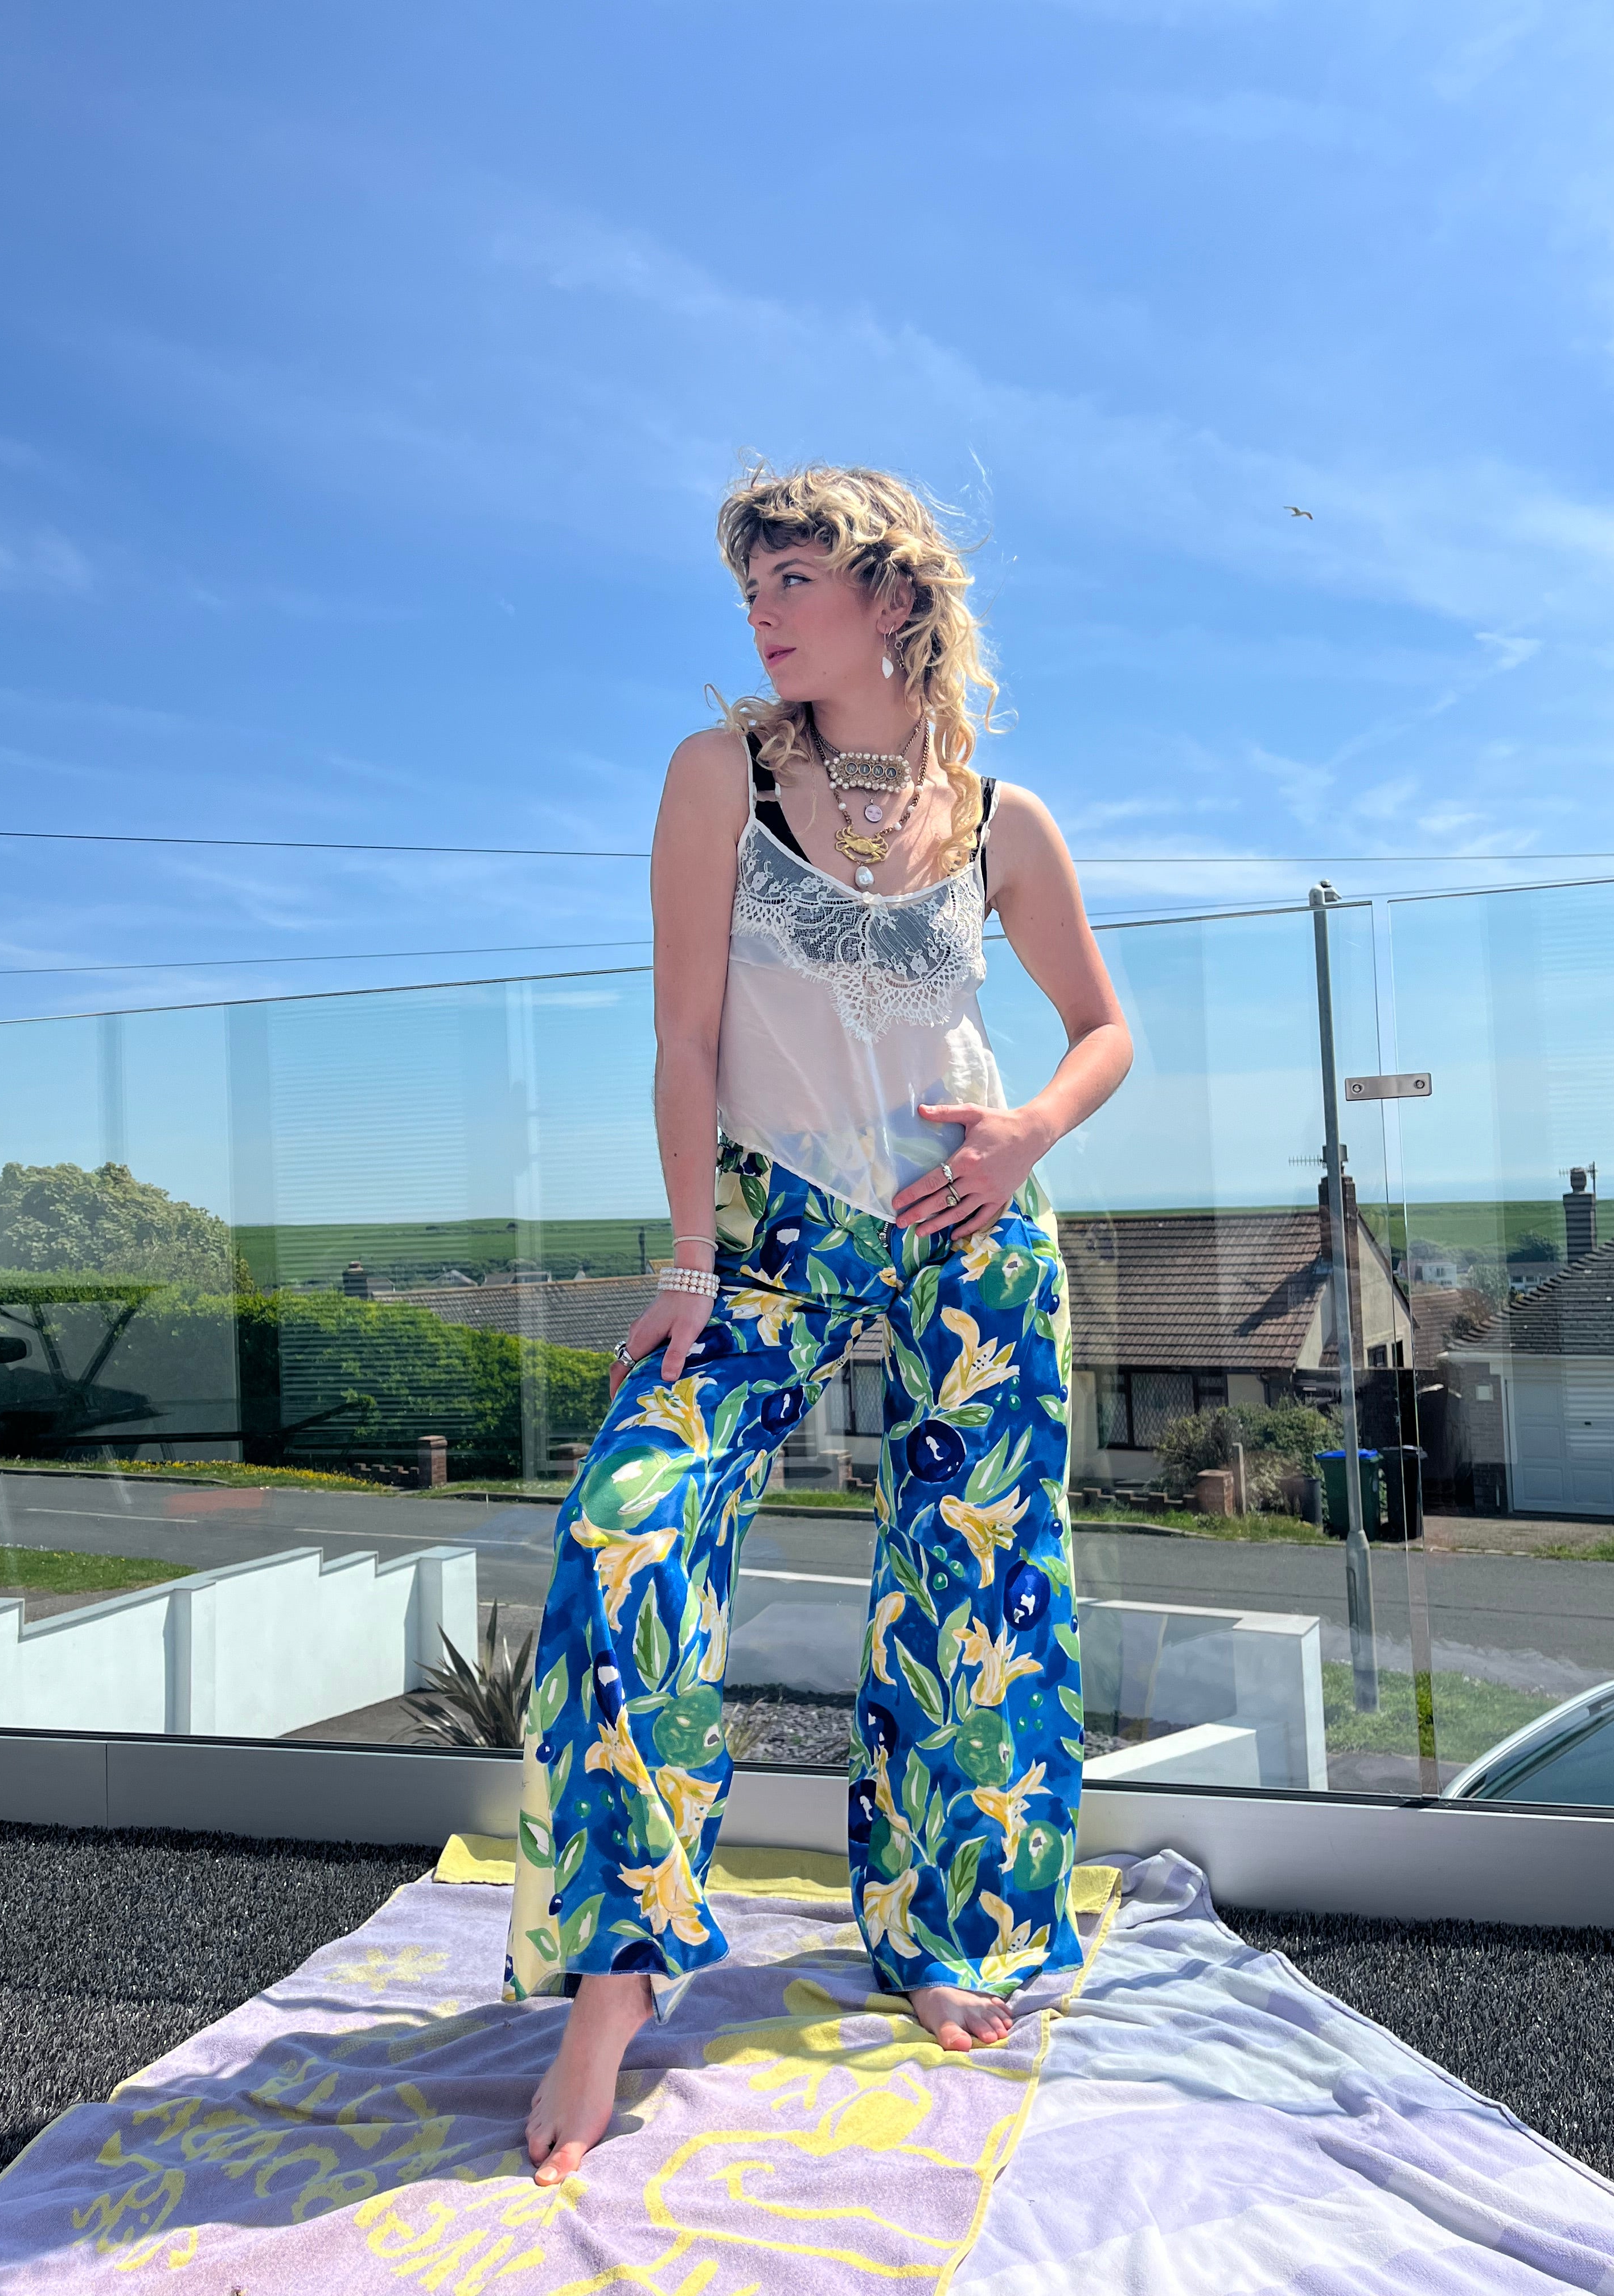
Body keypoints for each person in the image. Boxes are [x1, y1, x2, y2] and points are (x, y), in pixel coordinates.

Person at [508, 462, 1132, 2184]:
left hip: (977, 1237)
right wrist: (691, 1261)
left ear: (894, 600)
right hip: (770, 1242)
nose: (763, 612)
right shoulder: (720, 774)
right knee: (629, 1535)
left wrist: (1026, 1138)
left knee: (980, 1595)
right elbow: (687, 1043)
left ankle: (956, 1937)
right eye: (753, 588)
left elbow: (1100, 1030)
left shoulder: (1005, 817)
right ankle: (620, 1969)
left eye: (792, 580)